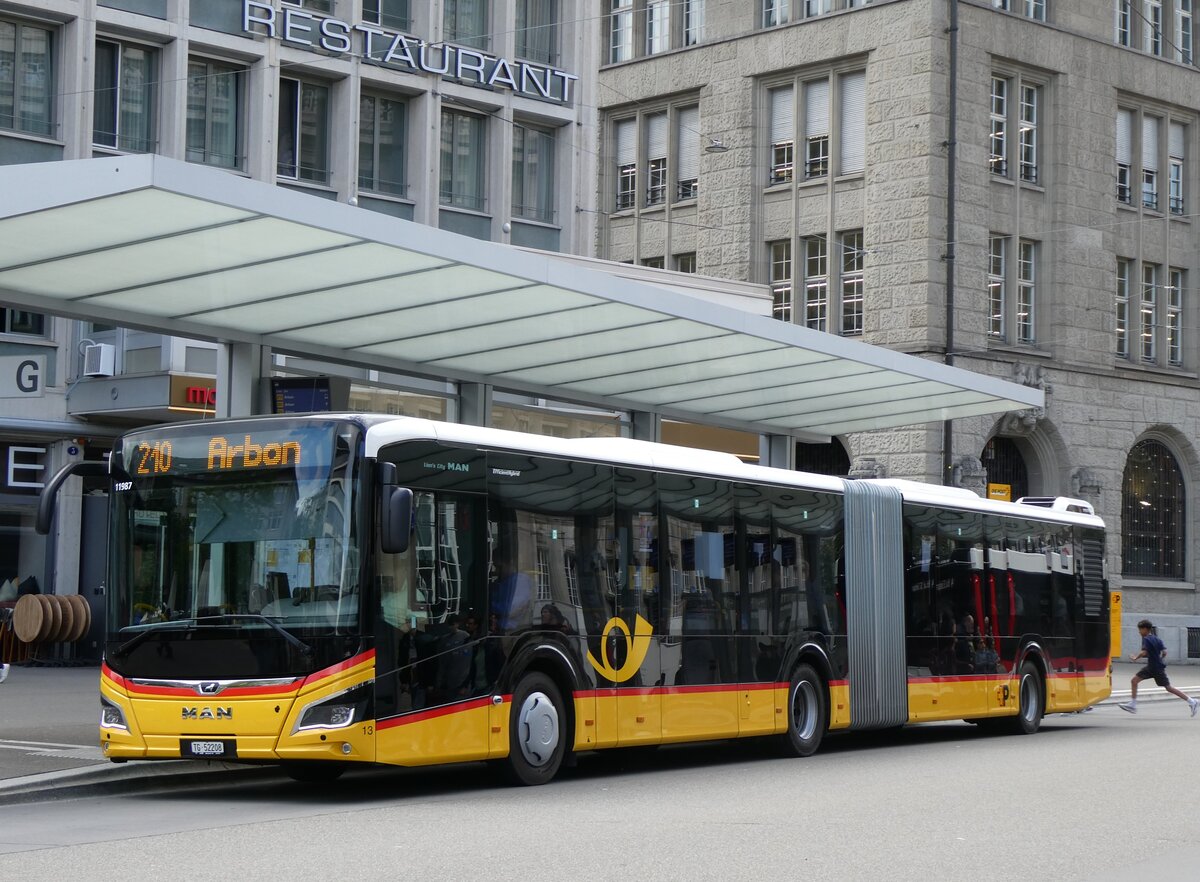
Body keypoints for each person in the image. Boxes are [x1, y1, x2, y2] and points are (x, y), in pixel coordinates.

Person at [1119, 619, 1198, 716]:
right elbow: (1164, 652)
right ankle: (1133, 704)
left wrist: (1135, 657)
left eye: (1140, 630)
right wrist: (1159, 658)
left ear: (1145, 629)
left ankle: (1192, 701)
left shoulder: (1146, 639)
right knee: (1135, 681)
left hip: (1154, 668)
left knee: (1168, 688)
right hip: (1155, 666)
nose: (1139, 632)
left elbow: (1144, 652)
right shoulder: (1157, 639)